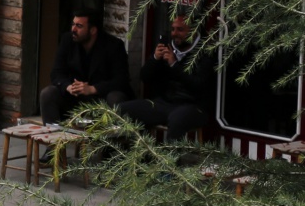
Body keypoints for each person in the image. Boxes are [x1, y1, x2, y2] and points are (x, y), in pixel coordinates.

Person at [116, 13, 214, 142]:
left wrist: (174, 65)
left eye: (180, 30)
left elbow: (198, 85)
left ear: (194, 31)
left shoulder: (205, 51)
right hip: (165, 102)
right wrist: (155, 59)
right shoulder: (167, 45)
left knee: (177, 119)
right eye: (173, 29)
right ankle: (136, 155)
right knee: (121, 109)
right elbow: (145, 78)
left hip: (193, 105)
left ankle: (170, 161)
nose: (174, 34)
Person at [39, 9, 132, 125]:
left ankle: (111, 141)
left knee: (116, 98)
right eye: (73, 24)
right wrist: (68, 87)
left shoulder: (113, 46)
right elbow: (56, 73)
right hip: (75, 97)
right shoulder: (67, 40)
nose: (73, 29)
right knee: (48, 94)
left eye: (79, 26)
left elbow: (122, 81)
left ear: (93, 30)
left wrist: (92, 89)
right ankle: (53, 139)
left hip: (101, 98)